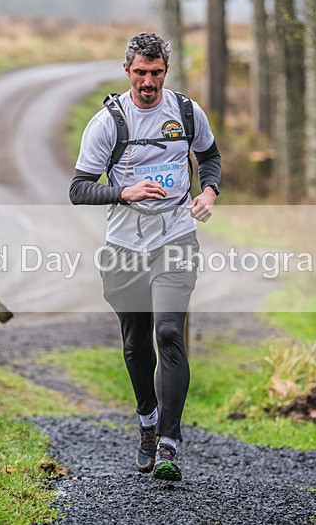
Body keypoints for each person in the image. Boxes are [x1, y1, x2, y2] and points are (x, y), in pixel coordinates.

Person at [70, 32, 221, 481]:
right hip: (124, 247)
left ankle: (170, 445)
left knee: (170, 333)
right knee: (137, 345)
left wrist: (209, 191)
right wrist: (124, 191)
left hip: (175, 237)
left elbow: (209, 156)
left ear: (165, 71)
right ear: (127, 71)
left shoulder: (188, 113)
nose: (148, 82)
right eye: (140, 73)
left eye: (156, 73)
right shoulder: (108, 123)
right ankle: (148, 422)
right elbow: (78, 189)